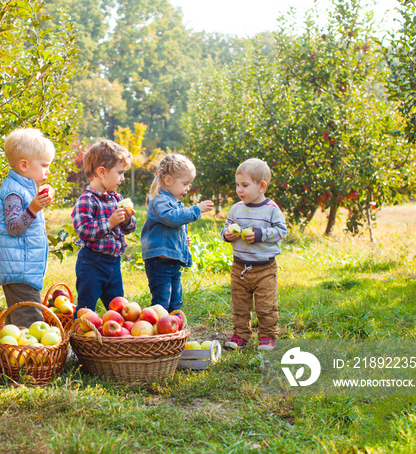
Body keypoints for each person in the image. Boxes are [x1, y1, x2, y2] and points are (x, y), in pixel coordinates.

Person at [0, 128, 55, 327]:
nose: (48, 170)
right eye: (44, 165)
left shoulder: (23, 188)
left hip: (21, 266)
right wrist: (34, 208)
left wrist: (37, 202)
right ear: (24, 165)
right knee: (30, 319)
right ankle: (30, 356)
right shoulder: (13, 192)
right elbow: (14, 228)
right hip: (19, 269)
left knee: (18, 316)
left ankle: (8, 352)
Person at [222, 158, 287, 351]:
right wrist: (227, 234)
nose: (239, 190)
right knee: (240, 305)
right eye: (237, 185)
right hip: (239, 267)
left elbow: (281, 231)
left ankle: (267, 336)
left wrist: (259, 234)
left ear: (261, 186)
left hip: (264, 268)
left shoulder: (271, 209)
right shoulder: (236, 209)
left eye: (244, 185)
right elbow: (225, 229)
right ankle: (240, 335)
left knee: (266, 305)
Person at [140, 154, 214, 313]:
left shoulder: (173, 202)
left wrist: (181, 239)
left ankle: (173, 329)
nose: (188, 188)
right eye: (185, 183)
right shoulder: (160, 201)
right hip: (159, 262)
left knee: (176, 299)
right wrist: (197, 209)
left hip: (171, 261)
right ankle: (159, 333)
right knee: (161, 301)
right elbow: (172, 218)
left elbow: (171, 227)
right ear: (168, 180)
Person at [71, 139, 136, 313]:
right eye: (120, 172)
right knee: (86, 307)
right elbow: (83, 230)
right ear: (101, 172)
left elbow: (130, 229)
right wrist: (109, 223)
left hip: (113, 263)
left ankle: (116, 340)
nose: (122, 178)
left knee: (120, 309)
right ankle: (80, 338)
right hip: (92, 262)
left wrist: (127, 220)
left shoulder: (116, 199)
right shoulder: (86, 200)